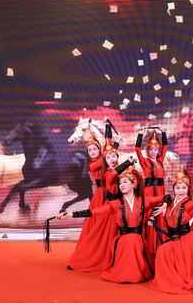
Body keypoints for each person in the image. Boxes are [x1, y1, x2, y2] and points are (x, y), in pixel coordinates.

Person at [59, 167, 168, 284]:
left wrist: (165, 204)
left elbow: (166, 197)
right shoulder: (116, 204)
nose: (121, 185)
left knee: (134, 240)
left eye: (125, 182)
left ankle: (137, 272)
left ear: (134, 184)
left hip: (138, 239)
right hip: (124, 240)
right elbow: (94, 212)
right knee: (129, 241)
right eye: (120, 183)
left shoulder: (143, 201)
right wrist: (71, 214)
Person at [66, 122, 132, 272]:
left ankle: (110, 255)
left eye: (95, 149)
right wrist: (116, 143)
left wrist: (108, 127)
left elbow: (108, 149)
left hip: (113, 194)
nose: (92, 151)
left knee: (111, 227)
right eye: (89, 150)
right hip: (102, 195)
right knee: (98, 229)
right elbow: (108, 155)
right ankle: (89, 256)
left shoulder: (104, 159)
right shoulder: (92, 165)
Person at [135, 127, 168, 264]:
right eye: (150, 149)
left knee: (160, 214)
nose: (153, 151)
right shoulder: (145, 162)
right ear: (147, 151)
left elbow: (165, 146)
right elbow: (137, 149)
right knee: (150, 214)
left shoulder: (160, 160)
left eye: (155, 149)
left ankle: (160, 242)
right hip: (149, 191)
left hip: (160, 190)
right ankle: (150, 244)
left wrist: (164, 132)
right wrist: (140, 134)